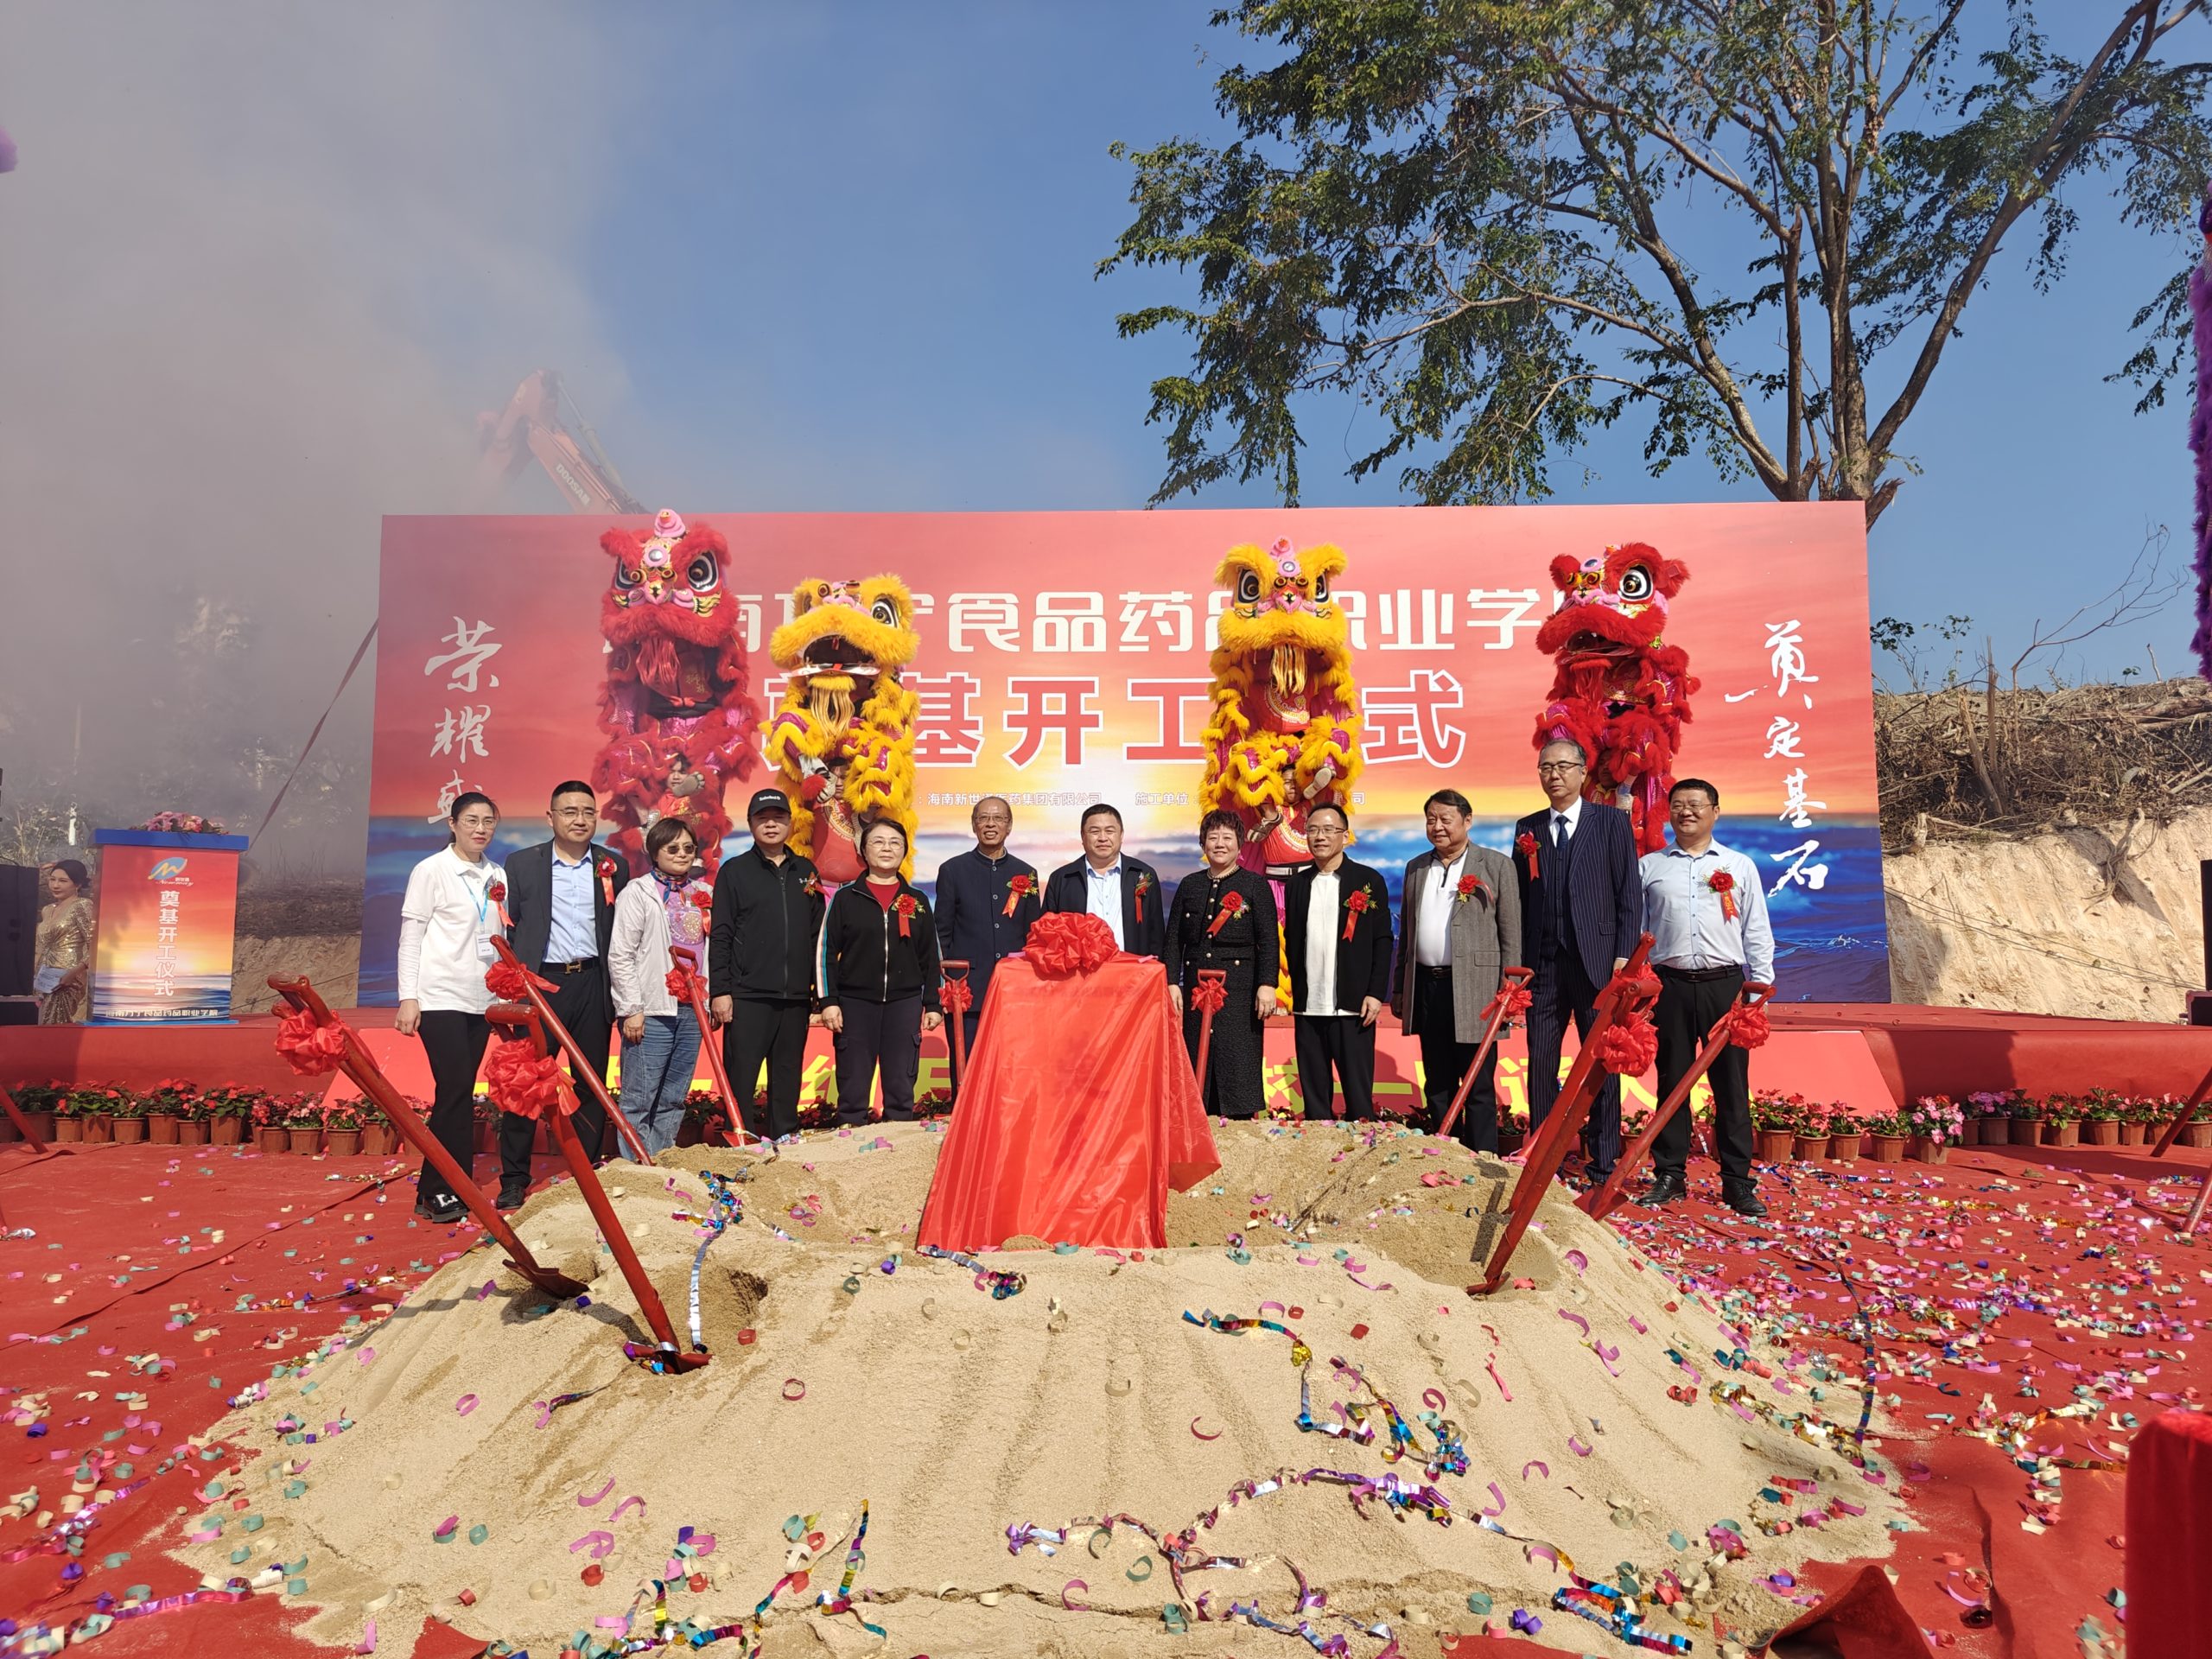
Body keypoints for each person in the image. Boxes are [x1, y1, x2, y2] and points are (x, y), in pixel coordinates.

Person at [1638, 779, 1775, 1216]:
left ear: (1716, 810)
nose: (1686, 812)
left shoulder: (1739, 865)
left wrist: (1762, 986)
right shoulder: (1650, 866)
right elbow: (1634, 930)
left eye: (1696, 805)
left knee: (1732, 1086)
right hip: (1670, 986)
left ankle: (1737, 1181)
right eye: (1677, 805)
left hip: (1726, 987)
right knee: (1671, 1082)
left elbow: (1756, 929)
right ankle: (1670, 1175)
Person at [1513, 740, 1643, 1179]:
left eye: (1563, 766)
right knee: (1541, 1061)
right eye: (1545, 767)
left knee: (1602, 1061)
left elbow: (1629, 894)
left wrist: (1624, 956)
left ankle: (1603, 1161)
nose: (1554, 775)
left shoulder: (1609, 821)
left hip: (1598, 963)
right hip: (1544, 965)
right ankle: (1542, 1158)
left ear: (1583, 771)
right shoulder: (1526, 828)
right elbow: (1522, 902)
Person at [501, 780, 626, 1201]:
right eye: (570, 811)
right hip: (542, 986)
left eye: (588, 812)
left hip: (593, 983)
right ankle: (515, 1179)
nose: (580, 819)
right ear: (550, 817)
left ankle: (585, 1171)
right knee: (526, 1082)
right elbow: (510, 924)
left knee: (590, 1082)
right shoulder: (521, 865)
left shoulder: (613, 865)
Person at [396, 791, 506, 1224]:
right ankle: (437, 1188)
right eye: (472, 820)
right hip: (439, 997)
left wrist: (501, 996)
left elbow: (498, 942)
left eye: (489, 821)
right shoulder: (431, 871)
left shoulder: (497, 874)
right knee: (455, 1089)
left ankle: (451, 1183)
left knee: (459, 1092)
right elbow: (411, 937)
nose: (481, 829)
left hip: (481, 999)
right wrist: (409, 996)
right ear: (453, 824)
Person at [1390, 790, 1522, 1151]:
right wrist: (1401, 988)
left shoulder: (1495, 865)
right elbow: (1408, 934)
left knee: (1478, 1082)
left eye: (1445, 819)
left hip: (1477, 991)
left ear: (1467, 821)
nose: (1437, 826)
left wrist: (1509, 991)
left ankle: (1482, 1157)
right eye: (1431, 819)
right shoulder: (1416, 867)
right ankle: (1446, 1152)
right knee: (1437, 1079)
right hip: (1428, 987)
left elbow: (1510, 933)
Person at [709, 788, 824, 1141]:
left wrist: (819, 995)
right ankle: (740, 1141)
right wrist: (721, 991)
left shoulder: (806, 871)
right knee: (741, 1076)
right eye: (762, 818)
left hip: (794, 998)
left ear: (790, 823)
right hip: (748, 996)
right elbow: (722, 934)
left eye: (778, 817)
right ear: (751, 824)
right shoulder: (735, 872)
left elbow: (817, 937)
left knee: (787, 1076)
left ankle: (785, 1141)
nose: (771, 824)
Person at [821, 818, 944, 1124]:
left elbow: (931, 956)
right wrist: (829, 1001)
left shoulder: (916, 901)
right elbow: (825, 952)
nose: (887, 848)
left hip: (904, 1004)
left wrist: (932, 1003)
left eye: (895, 842)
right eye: (878, 841)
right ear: (863, 850)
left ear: (904, 851)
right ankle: (850, 1147)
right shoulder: (846, 898)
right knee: (852, 1086)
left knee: (902, 1085)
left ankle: (898, 1153)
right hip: (855, 1003)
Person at [1165, 810, 1280, 1120]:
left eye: (1227, 837)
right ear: (1203, 843)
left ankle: (1239, 1115)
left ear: (1240, 844)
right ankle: (1195, 1113)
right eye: (1213, 837)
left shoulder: (1255, 885)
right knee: (1194, 1048)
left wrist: (1267, 984)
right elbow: (1174, 936)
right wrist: (1172, 982)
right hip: (1195, 984)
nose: (1220, 844)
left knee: (1237, 1048)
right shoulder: (1190, 885)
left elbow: (1269, 939)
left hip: (1240, 986)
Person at [608, 817, 712, 1157]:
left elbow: (711, 952)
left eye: (688, 848)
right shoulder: (638, 893)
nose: (681, 854)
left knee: (673, 1097)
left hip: (692, 1009)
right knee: (639, 1099)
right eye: (672, 848)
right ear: (654, 851)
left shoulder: (703, 893)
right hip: (652, 1010)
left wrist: (709, 1003)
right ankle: (637, 1169)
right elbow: (621, 954)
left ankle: (662, 1162)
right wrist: (631, 1009)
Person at [1281, 804, 1391, 1121]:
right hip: (1308, 1006)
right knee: (1315, 1097)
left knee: (1358, 1096)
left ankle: (1360, 1157)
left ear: (1345, 835)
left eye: (1329, 830)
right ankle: (1317, 1156)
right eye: (1313, 830)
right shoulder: (1298, 885)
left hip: (1352, 1006)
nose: (1320, 837)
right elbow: (1291, 939)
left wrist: (1374, 992)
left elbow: (1383, 941)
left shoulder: (1368, 880)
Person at [931, 795, 1041, 1054]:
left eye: (998, 818)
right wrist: (942, 987)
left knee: (1011, 1066)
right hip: (967, 991)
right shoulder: (953, 870)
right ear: (973, 825)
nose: (990, 825)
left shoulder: (1026, 873)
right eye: (983, 818)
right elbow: (941, 935)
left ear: (1009, 826)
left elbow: (1034, 935)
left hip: (1013, 990)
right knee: (966, 1067)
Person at [1042, 803, 1167, 958]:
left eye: (1110, 831)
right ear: (1082, 836)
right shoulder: (1062, 879)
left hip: (1132, 972)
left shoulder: (1143, 875)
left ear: (1121, 835)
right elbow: (1046, 934)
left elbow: (1156, 933)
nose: (1102, 838)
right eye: (1094, 832)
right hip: (1078, 974)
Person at [33, 860, 96, 1026]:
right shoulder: (48, 910)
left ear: (78, 884)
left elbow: (96, 945)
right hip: (44, 977)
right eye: (52, 879)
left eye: (63, 881)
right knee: (40, 1026)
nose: (55, 885)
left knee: (56, 1027)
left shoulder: (82, 906)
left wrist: (73, 973)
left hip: (67, 980)